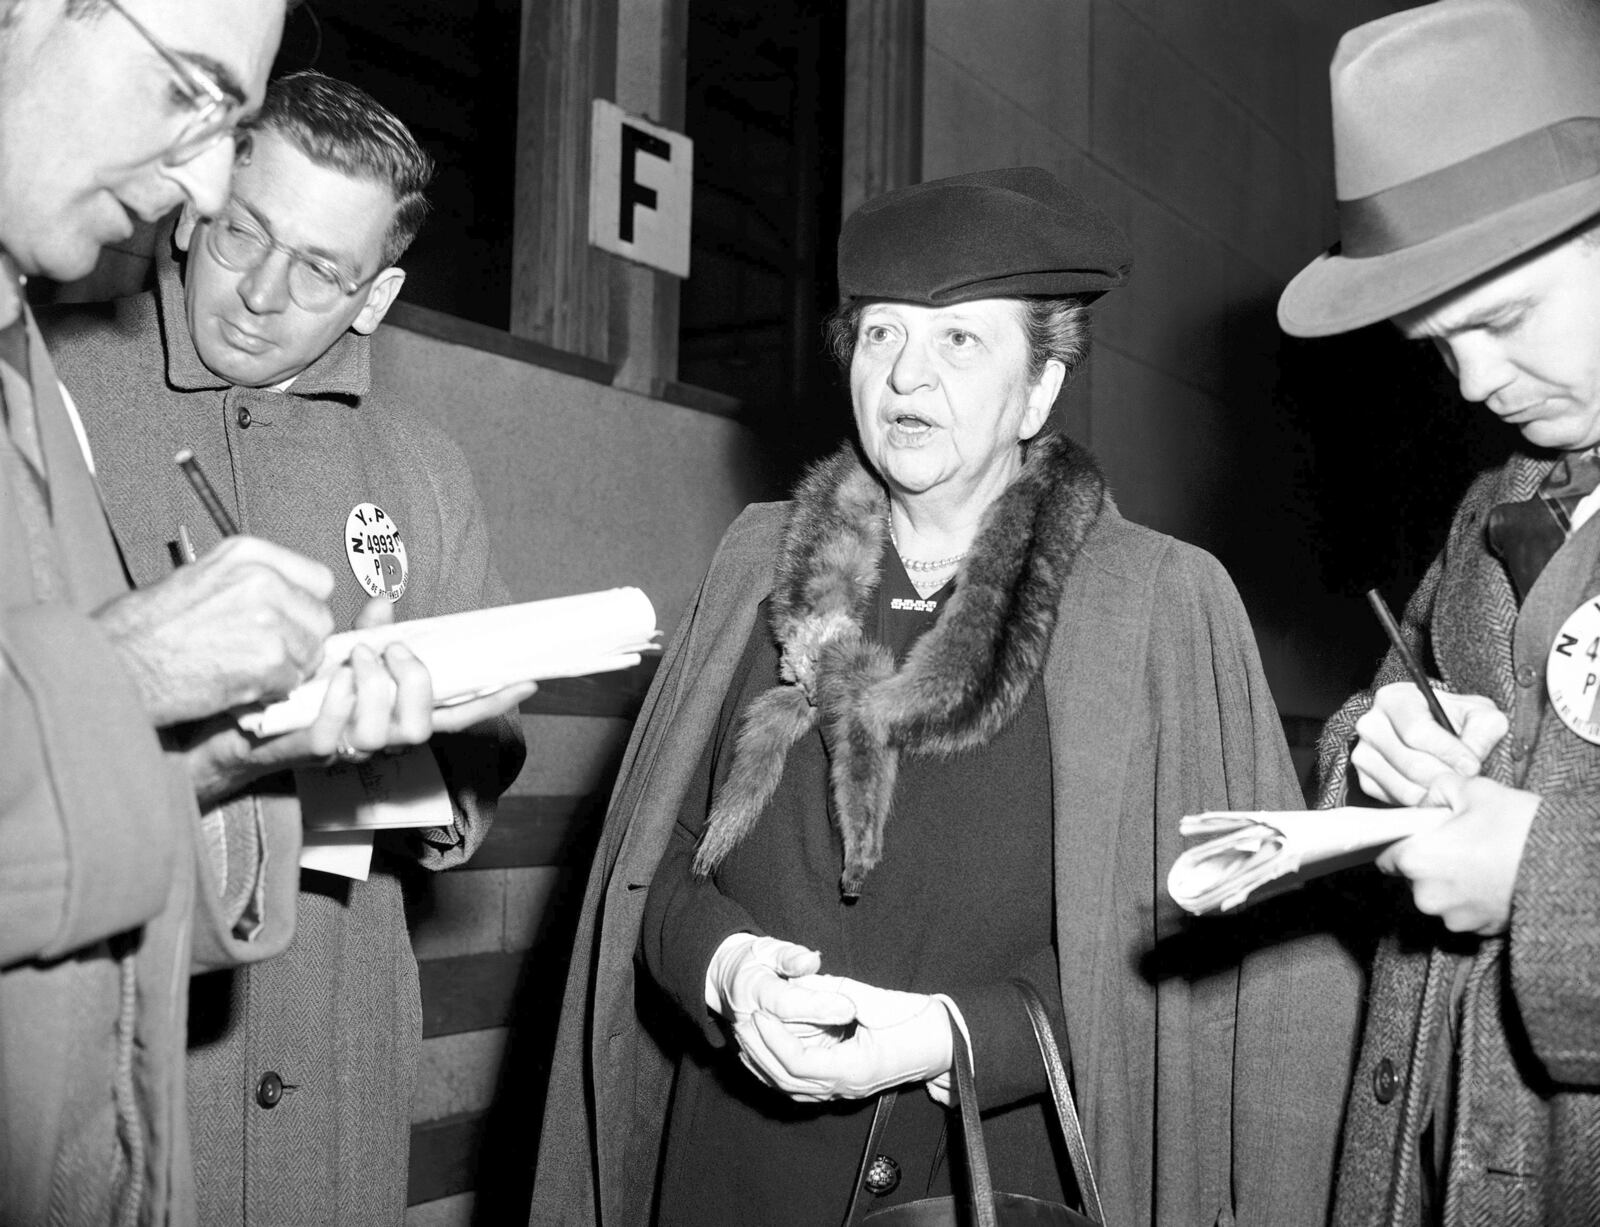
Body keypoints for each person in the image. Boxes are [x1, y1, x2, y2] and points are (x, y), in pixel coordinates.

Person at [532, 167, 1361, 1227]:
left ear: (1042, 388)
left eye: (960, 341)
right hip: (734, 1178)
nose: (905, 379)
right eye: (881, 335)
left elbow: (1213, 964)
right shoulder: (758, 563)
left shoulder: (1155, 604)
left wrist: (958, 1035)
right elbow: (653, 878)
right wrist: (730, 971)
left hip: (995, 1175)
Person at [41, 70, 531, 1225]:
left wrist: (405, 766)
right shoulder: (44, 389)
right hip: (113, 1039)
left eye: (319, 270)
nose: (259, 294)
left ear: (376, 297)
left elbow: (473, 790)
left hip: (335, 1051)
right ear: (191, 206)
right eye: (240, 235)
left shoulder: (423, 471)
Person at [0, 2, 334, 1222]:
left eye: (230, 125)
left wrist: (214, 764)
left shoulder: (24, 361)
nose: (200, 185)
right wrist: (129, 673)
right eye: (189, 92)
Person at [1278, 1, 1600, 1222]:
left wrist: (1540, 874)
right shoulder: (1489, 510)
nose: (1470, 382)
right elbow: (1374, 710)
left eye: (1503, 319)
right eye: (1436, 342)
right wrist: (1372, 756)